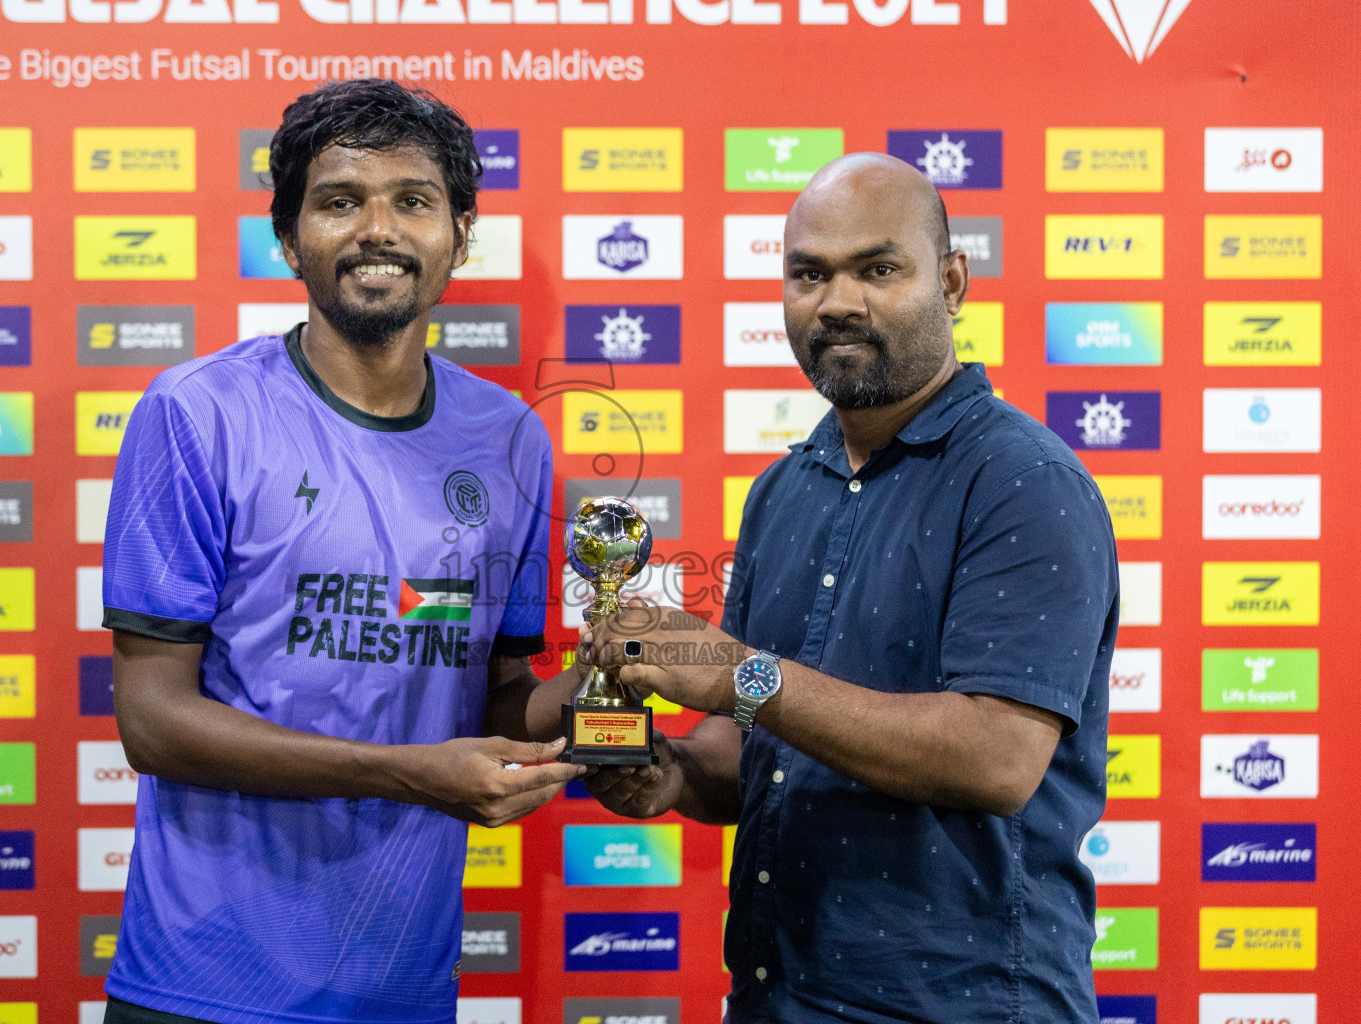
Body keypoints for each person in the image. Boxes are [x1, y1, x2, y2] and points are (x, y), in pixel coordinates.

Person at [583, 153, 1119, 1024]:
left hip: (961, 1004)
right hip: (777, 994)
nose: (837, 301)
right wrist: (672, 772)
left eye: (877, 269)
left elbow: (996, 755)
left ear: (951, 282)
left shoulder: (1025, 482)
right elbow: (750, 746)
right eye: (810, 274)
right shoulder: (783, 490)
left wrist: (739, 673)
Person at [99, 79, 586, 1024]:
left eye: (412, 200)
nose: (378, 229)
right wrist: (410, 771)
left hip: (402, 985)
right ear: (288, 239)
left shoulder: (513, 438)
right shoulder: (197, 414)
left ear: (458, 234)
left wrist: (603, 683)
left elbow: (498, 693)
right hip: (203, 986)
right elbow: (152, 721)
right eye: (339, 201)